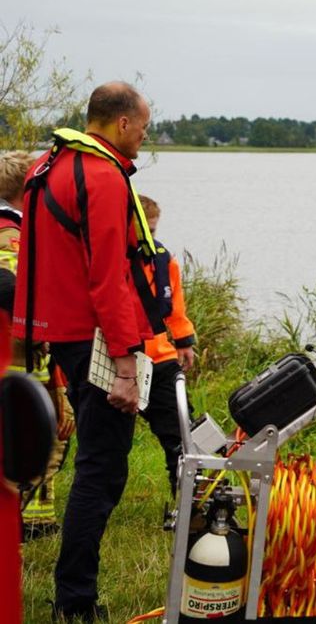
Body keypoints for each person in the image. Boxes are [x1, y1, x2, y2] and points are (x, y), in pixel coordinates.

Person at [14, 81, 159, 622]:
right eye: (143, 128)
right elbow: (108, 276)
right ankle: (75, 601)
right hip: (96, 340)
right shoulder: (101, 177)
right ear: (122, 124)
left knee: (97, 466)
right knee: (101, 472)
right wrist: (125, 363)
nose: (144, 138)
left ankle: (73, 592)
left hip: (62, 334)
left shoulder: (44, 168)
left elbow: (41, 263)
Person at [0, 150, 74, 540]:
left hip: (21, 357)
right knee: (42, 433)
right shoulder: (11, 234)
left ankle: (34, 518)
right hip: (19, 359)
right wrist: (43, 328)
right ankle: (29, 521)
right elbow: (10, 286)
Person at [137, 195, 197, 493]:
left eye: (153, 230)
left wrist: (185, 342)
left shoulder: (163, 259)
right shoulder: (110, 258)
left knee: (183, 432)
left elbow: (175, 307)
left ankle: (188, 497)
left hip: (160, 358)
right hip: (117, 358)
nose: (149, 238)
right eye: (143, 231)